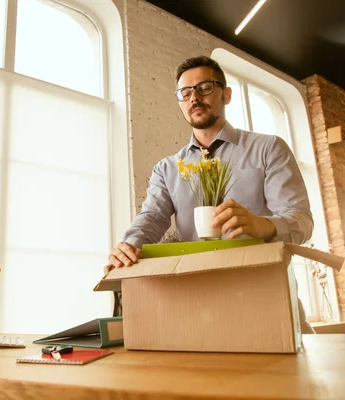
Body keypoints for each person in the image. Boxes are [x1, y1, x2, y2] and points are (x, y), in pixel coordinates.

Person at [105, 56, 315, 331]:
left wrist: (263, 225)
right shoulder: (167, 169)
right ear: (180, 101)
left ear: (226, 95)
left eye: (205, 87)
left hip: (266, 297)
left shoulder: (268, 149)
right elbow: (153, 216)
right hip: (197, 304)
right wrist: (130, 246)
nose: (194, 97)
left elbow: (301, 221)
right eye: (186, 92)